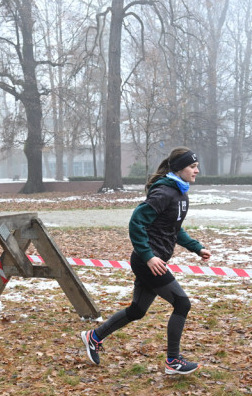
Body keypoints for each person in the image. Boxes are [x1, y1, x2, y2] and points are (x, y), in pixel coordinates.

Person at [80, 147, 211, 375]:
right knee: (182, 304)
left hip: (153, 261)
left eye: (197, 166)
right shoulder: (164, 193)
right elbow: (135, 222)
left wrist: (196, 247)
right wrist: (149, 256)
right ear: (179, 168)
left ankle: (94, 336)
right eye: (192, 166)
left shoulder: (180, 193)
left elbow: (173, 229)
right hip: (147, 262)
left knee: (138, 310)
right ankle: (173, 361)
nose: (197, 170)